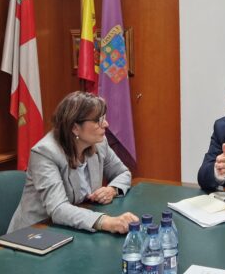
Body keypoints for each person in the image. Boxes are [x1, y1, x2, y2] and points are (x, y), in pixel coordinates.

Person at [8, 91, 138, 234]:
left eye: (104, 118)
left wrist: (112, 190)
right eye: (98, 120)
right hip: (35, 233)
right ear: (75, 127)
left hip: (72, 228)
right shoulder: (45, 153)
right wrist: (106, 221)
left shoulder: (100, 144)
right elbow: (58, 208)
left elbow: (123, 173)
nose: (106, 124)